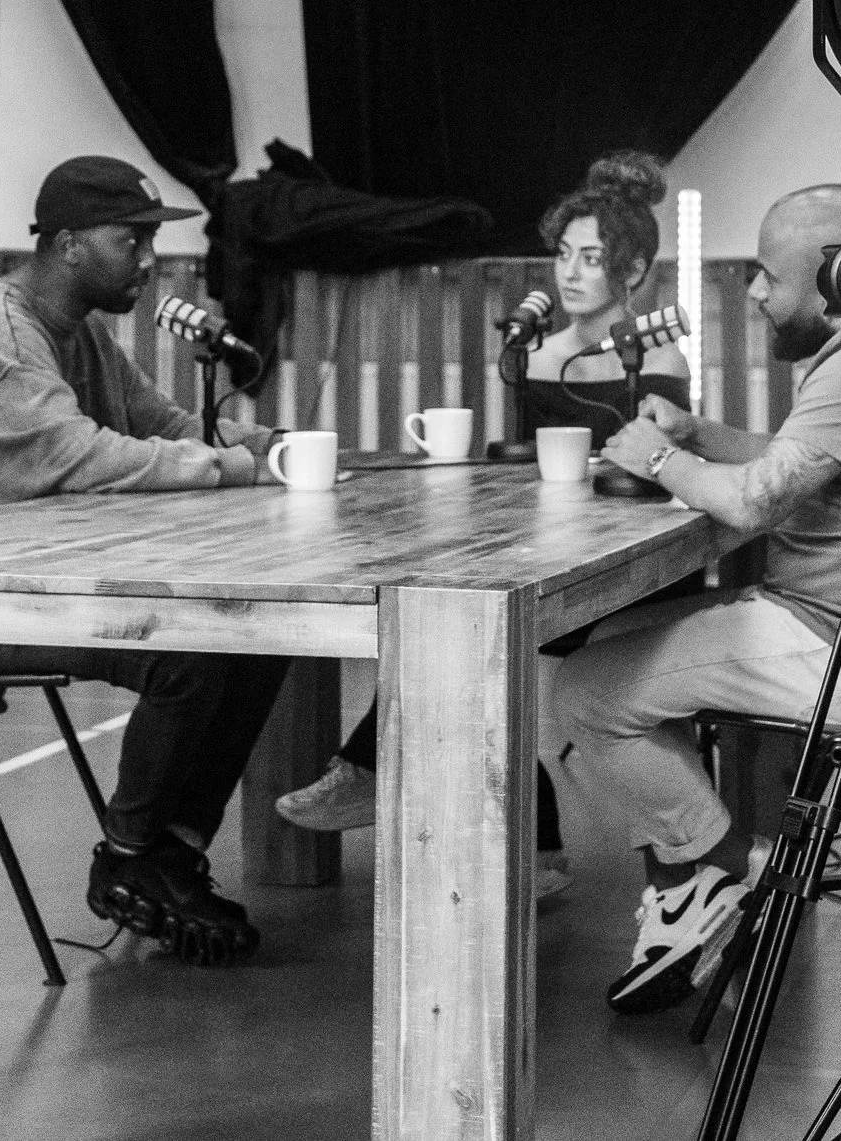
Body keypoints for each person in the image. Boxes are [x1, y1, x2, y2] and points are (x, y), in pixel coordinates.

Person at [0, 154, 288, 966]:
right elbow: (78, 455)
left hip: (22, 586)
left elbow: (163, 425)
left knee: (261, 635)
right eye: (130, 239)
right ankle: (127, 862)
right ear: (66, 244)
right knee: (182, 651)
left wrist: (268, 446)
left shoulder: (81, 334)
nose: (148, 258)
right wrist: (229, 467)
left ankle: (168, 852)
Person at [272, 151, 690, 900]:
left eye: (591, 259)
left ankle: (377, 775)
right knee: (457, 612)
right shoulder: (538, 354)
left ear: (631, 273)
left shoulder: (656, 354)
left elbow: (660, 462)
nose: (569, 273)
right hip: (550, 546)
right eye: (563, 255)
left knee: (482, 638)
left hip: (627, 563)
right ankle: (506, 835)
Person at [553, 182, 841, 1015]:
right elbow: (812, 458)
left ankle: (728, 865)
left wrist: (657, 458)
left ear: (835, 277)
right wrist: (700, 436)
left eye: (765, 275)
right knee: (608, 638)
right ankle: (687, 893)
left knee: (581, 694)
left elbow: (755, 502)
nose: (753, 292)